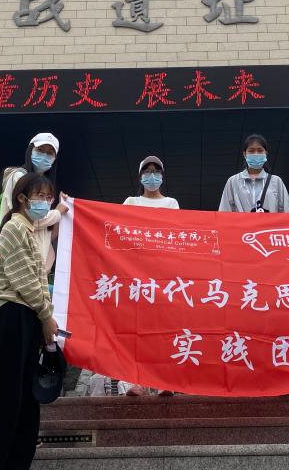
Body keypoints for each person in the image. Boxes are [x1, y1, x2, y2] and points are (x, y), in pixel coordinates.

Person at [0, 132, 68, 450]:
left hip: (32, 284)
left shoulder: (43, 194)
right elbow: (26, 220)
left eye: (51, 153)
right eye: (41, 150)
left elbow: (43, 238)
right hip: (11, 287)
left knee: (21, 363)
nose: (45, 157)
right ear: (30, 150)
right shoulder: (17, 177)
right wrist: (60, 211)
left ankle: (13, 432)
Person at [118, 156, 177, 397]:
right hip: (135, 273)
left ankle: (164, 380)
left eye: (156, 171)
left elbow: (176, 233)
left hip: (162, 274)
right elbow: (119, 230)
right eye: (147, 171)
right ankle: (136, 381)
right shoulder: (131, 202)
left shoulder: (172, 203)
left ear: (162, 176)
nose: (152, 176)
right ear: (140, 176)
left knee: (163, 328)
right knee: (136, 329)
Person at [218, 134, 289, 213]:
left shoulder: (276, 181)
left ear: (266, 153)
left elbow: (287, 213)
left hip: (270, 222)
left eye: (260, 150)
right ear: (244, 154)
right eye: (251, 151)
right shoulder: (233, 181)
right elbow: (224, 212)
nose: (256, 154)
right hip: (242, 221)